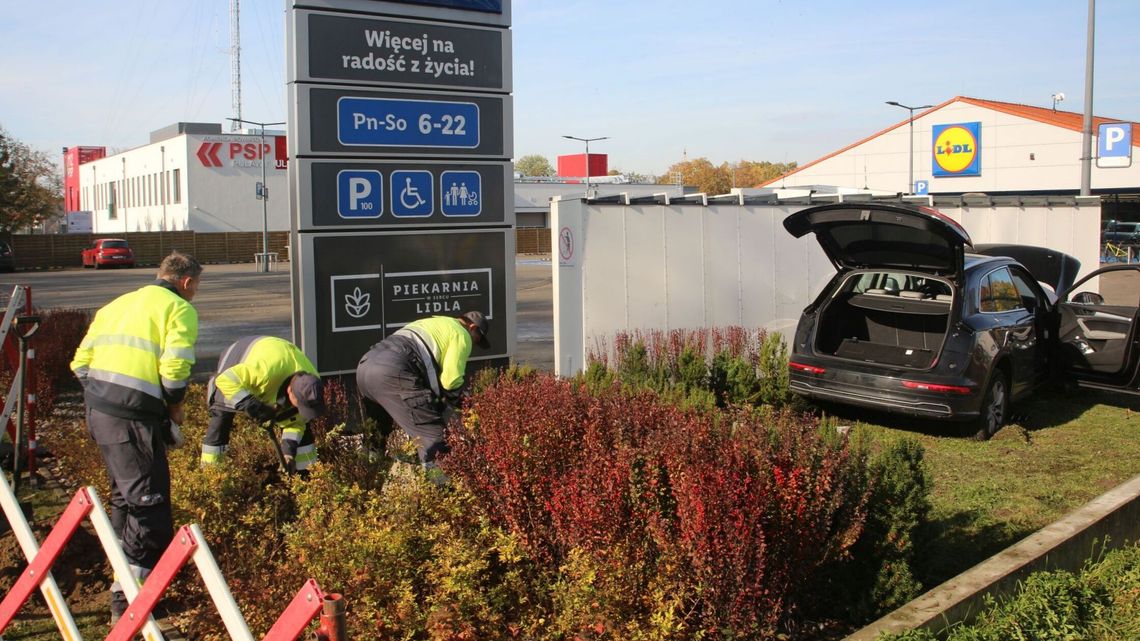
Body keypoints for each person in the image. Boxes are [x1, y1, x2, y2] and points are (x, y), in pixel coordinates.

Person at [70, 251, 202, 623]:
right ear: (186, 282)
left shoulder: (116, 305)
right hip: (131, 423)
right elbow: (174, 371)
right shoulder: (179, 310)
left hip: (100, 416)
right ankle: (129, 601)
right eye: (196, 287)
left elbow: (80, 363)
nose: (194, 293)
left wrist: (107, 397)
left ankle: (122, 580)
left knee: (124, 501)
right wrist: (172, 409)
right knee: (149, 506)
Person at [355, 311, 490, 474]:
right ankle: (440, 485)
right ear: (472, 327)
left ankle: (366, 477)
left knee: (377, 431)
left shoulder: (436, 323)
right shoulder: (461, 333)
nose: (474, 345)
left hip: (366, 366)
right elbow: (450, 382)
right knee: (434, 437)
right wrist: (467, 405)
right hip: (393, 370)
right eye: (477, 339)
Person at [201, 336, 325, 473]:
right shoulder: (264, 372)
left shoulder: (312, 384)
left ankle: (304, 476)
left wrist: (288, 452)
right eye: (300, 404)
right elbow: (225, 380)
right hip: (239, 355)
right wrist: (254, 406)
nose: (301, 409)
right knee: (221, 415)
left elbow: (296, 422)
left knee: (302, 429)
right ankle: (210, 474)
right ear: (290, 391)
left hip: (279, 360)